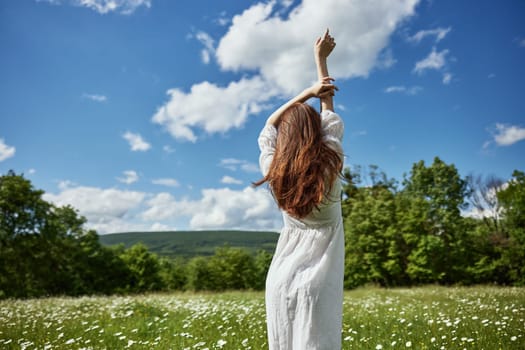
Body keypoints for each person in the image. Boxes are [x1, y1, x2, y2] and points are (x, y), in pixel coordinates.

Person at [254, 29, 345, 350]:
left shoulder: (274, 172)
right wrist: (320, 62)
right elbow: (329, 111)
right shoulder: (329, 168)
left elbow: (268, 127)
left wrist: (305, 92)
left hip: (279, 281)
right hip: (319, 283)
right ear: (316, 135)